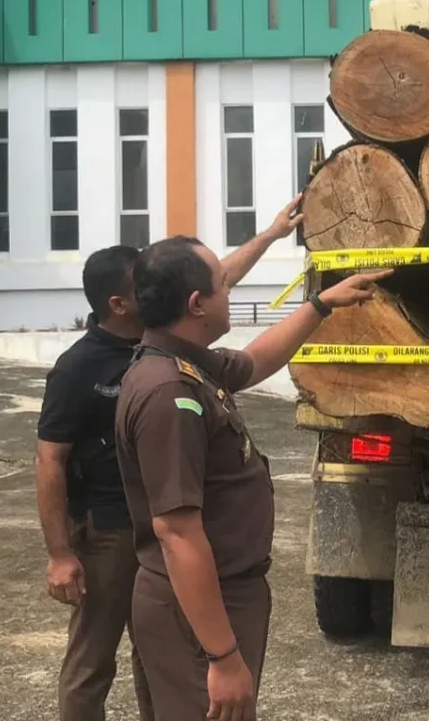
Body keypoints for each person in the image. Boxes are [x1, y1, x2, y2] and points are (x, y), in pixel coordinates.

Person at [35, 197, 305, 721]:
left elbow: (221, 296)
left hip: (161, 542)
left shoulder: (167, 349)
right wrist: (60, 552)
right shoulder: (106, 373)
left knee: (160, 667)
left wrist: (274, 239)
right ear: (121, 302)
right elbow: (50, 462)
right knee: (93, 663)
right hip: (116, 532)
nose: (159, 291)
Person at [114, 234, 390, 720]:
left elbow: (257, 360)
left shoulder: (188, 364)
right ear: (197, 304)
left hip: (215, 599)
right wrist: (221, 656)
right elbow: (177, 533)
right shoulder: (168, 394)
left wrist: (321, 305)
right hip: (198, 610)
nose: (231, 293)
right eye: (223, 285)